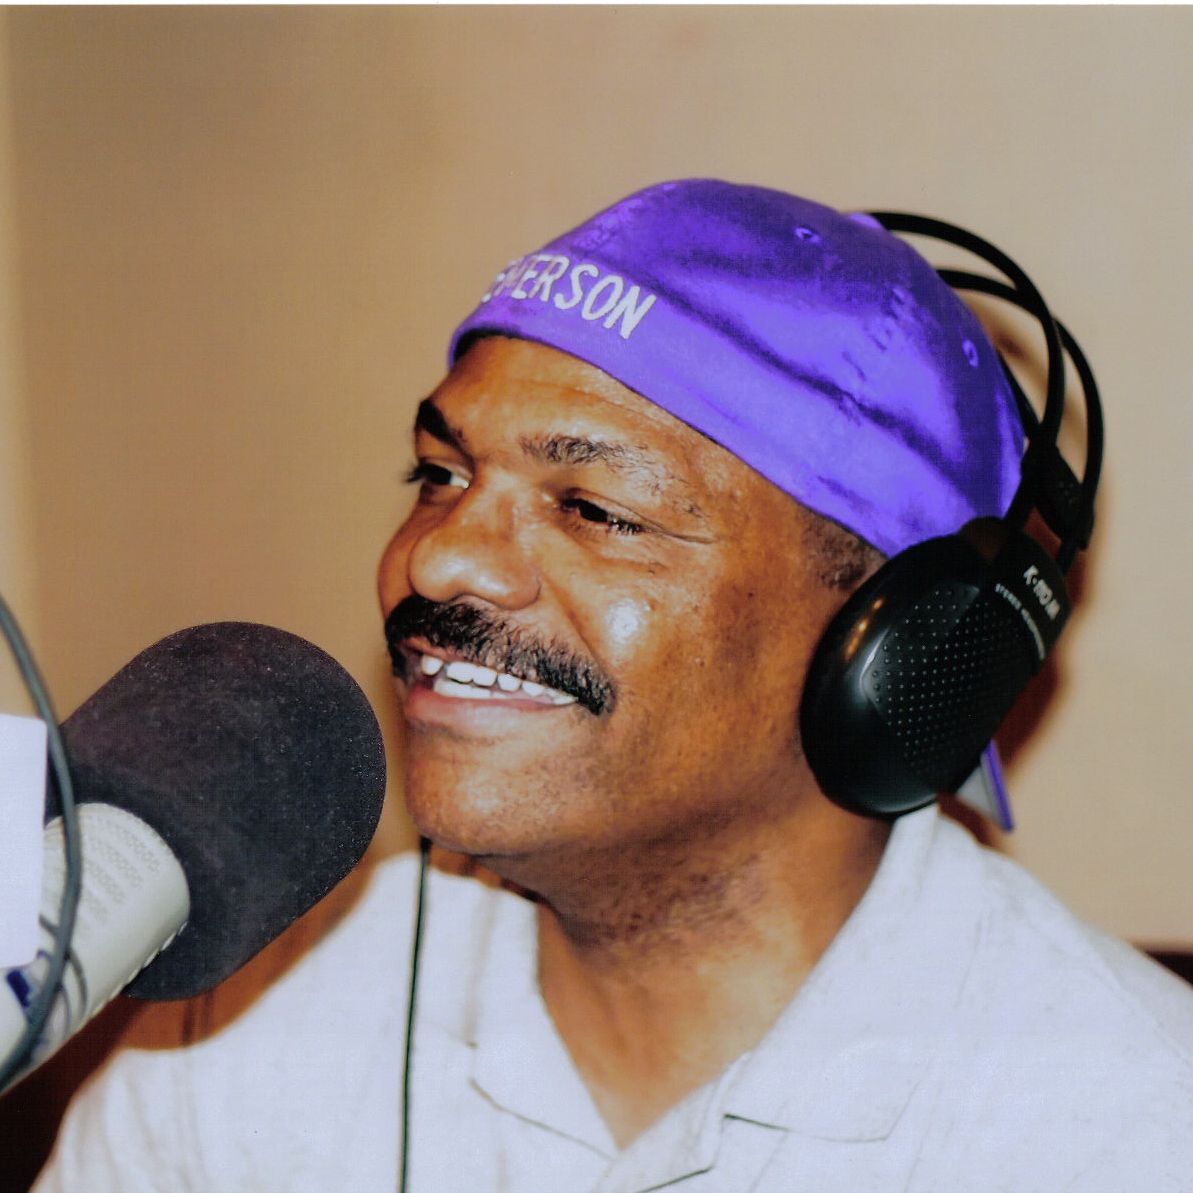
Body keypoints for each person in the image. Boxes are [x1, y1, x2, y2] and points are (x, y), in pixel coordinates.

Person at [35, 180, 1193, 1192]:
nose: (436, 559)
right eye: (439, 473)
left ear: (901, 646)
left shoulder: (1124, 1126)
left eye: (596, 509)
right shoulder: (251, 1017)